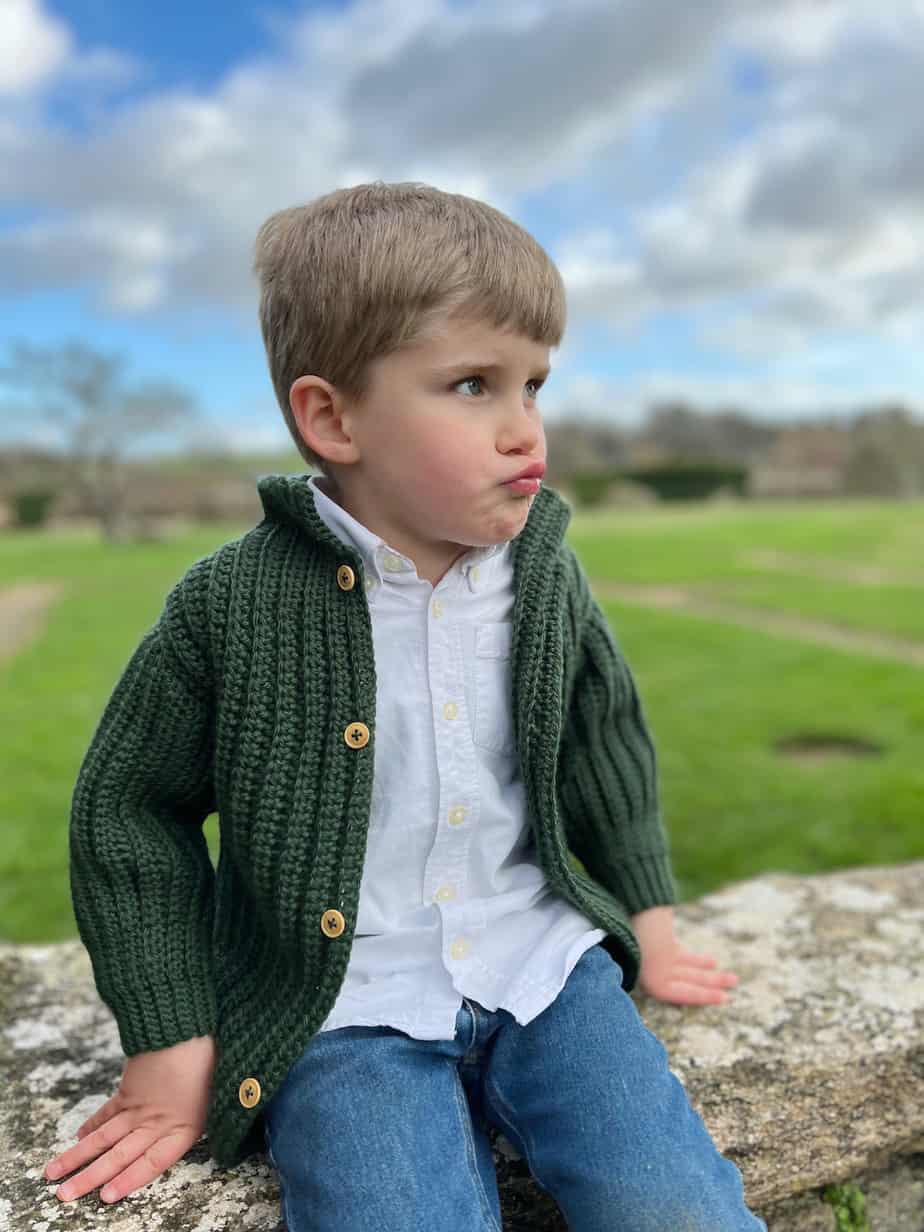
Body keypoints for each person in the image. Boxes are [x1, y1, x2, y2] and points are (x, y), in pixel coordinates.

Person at [44, 181, 766, 1230]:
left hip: (544, 965)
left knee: (673, 1206)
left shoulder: (547, 577)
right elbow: (128, 810)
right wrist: (171, 1033)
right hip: (341, 1004)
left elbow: (603, 745)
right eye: (474, 384)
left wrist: (647, 920)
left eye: (536, 384)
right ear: (331, 415)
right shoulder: (230, 605)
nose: (527, 429)